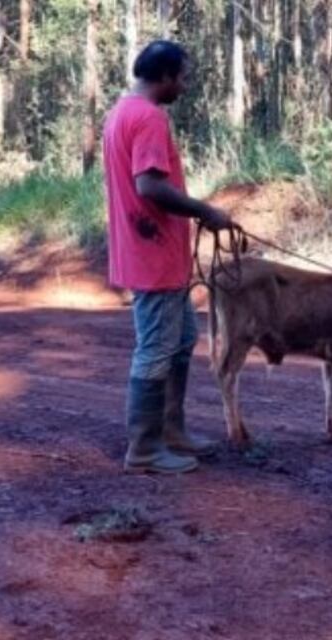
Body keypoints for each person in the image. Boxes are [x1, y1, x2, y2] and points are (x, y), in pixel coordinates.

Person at [102, 40, 235, 474]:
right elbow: (150, 187)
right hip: (153, 255)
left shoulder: (122, 112)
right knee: (156, 348)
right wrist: (205, 211)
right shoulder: (148, 118)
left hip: (155, 250)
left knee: (180, 342)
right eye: (182, 76)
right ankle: (144, 447)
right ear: (163, 77)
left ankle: (171, 432)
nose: (185, 84)